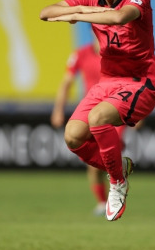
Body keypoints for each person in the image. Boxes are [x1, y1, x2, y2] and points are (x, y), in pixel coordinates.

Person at [40, 0, 155, 221]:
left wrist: (79, 12)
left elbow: (119, 17)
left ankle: (117, 184)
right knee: (72, 137)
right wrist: (80, 8)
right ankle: (121, 168)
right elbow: (46, 13)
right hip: (107, 83)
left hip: (140, 82)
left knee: (97, 119)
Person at [51, 38, 126, 217]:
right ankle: (103, 201)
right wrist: (58, 109)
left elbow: (134, 81)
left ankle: (114, 193)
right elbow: (66, 82)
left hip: (114, 111)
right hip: (89, 112)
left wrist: (138, 112)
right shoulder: (80, 54)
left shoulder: (117, 53)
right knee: (96, 163)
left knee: (106, 156)